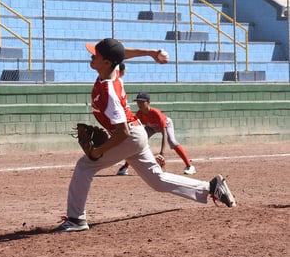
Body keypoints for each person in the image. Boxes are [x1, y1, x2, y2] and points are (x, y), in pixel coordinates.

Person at [55, 38, 236, 232]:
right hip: (135, 133)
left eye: (96, 55)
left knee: (85, 165)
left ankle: (76, 219)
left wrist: (99, 151)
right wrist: (150, 52)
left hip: (128, 136)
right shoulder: (112, 70)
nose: (91, 56)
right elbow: (122, 55)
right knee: (157, 180)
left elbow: (122, 131)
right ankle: (211, 187)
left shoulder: (109, 91)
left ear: (107, 62)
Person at [117, 92, 196, 176]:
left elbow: (164, 133)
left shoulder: (156, 113)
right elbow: (135, 129)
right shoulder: (139, 114)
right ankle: (125, 167)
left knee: (172, 142)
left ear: (148, 102)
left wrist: (162, 153)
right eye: (138, 102)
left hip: (166, 124)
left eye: (142, 102)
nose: (139, 104)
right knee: (137, 142)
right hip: (151, 127)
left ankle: (190, 166)